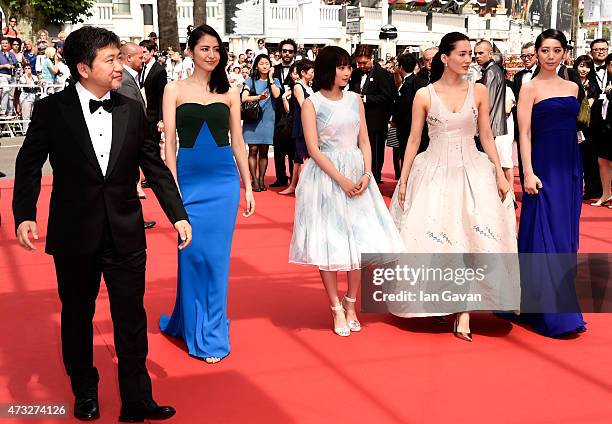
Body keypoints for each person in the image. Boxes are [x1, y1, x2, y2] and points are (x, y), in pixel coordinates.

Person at [12, 26, 190, 422]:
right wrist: (25, 213)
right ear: (82, 67)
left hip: (126, 232)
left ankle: (137, 399)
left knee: (131, 317)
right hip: (75, 234)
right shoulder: (51, 110)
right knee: (77, 314)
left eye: (117, 57)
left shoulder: (130, 108)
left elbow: (154, 166)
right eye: (109, 59)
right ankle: (85, 389)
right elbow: (27, 165)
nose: (118, 65)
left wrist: (177, 214)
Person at [389, 32, 517, 341]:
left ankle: (463, 311)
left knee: (471, 237)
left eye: (470, 53)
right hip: (432, 168)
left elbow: (486, 135)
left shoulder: (480, 91)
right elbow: (413, 139)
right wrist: (404, 179)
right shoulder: (425, 94)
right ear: (444, 58)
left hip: (472, 169)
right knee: (438, 239)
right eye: (461, 53)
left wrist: (500, 173)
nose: (468, 58)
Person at [288, 46, 404, 337]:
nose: (348, 72)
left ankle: (351, 303)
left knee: (359, 243)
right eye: (341, 67)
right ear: (328, 69)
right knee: (329, 243)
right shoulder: (311, 104)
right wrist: (340, 179)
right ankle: (335, 308)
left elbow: (365, 140)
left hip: (357, 175)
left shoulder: (355, 100)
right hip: (326, 179)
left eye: (349, 67)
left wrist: (367, 173)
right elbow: (313, 150)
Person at [160, 24, 255, 364]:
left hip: (222, 182)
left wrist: (247, 185)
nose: (211, 54)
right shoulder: (173, 90)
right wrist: (171, 188)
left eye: (216, 49)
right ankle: (187, 321)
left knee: (215, 260)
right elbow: (169, 143)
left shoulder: (231, 91)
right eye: (204, 48)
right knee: (190, 254)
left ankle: (211, 334)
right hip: (188, 181)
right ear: (190, 52)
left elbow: (238, 142)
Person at [513, 29, 586, 337]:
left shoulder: (572, 87)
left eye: (557, 50)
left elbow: (574, 129)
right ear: (537, 53)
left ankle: (545, 301)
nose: (551, 56)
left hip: (570, 167)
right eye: (545, 50)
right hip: (542, 167)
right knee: (543, 234)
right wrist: (527, 172)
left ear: (564, 53)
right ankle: (553, 312)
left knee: (566, 238)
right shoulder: (528, 88)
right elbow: (524, 134)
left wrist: (578, 173)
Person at [349, 44, 396, 183]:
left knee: (375, 151)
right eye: (359, 63)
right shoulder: (356, 73)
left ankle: (375, 177)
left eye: (364, 62)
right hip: (357, 119)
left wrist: (364, 98)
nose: (362, 65)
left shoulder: (382, 74)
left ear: (372, 58)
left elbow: (387, 97)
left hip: (376, 120)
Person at [241, 54, 281, 191]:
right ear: (256, 66)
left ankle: (262, 179)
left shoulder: (275, 80)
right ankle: (255, 180)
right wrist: (259, 97)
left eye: (267, 63)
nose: (265, 66)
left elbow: (276, 95)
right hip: (253, 119)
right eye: (262, 63)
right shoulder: (250, 80)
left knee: (264, 151)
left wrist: (270, 78)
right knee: (253, 149)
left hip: (268, 119)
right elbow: (243, 97)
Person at [279, 59, 314, 195]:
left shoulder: (309, 86)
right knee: (302, 157)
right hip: (302, 126)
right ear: (303, 73)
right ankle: (303, 188)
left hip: (309, 125)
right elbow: (304, 105)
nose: (313, 74)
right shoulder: (298, 87)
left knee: (300, 159)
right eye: (311, 71)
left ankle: (294, 186)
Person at [271, 39, 297, 187]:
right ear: (280, 52)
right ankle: (281, 177)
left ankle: (294, 177)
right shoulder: (273, 69)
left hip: (293, 112)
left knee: (293, 147)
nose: (287, 54)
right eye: (284, 51)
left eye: (290, 51)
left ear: (294, 53)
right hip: (276, 113)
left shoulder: (298, 68)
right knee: (278, 147)